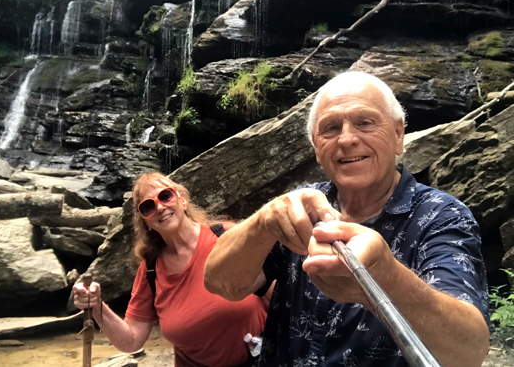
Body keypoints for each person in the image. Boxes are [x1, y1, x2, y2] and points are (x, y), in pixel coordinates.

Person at [204, 71, 490, 367]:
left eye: (365, 122)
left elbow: (468, 353)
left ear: (398, 135)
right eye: (330, 128)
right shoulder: (300, 206)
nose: (347, 139)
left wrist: (386, 276)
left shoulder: (441, 215)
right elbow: (220, 283)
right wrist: (261, 224)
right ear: (316, 147)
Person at [73, 172, 267, 367]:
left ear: (182, 199)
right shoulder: (150, 271)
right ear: (145, 222)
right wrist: (97, 306)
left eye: (165, 196)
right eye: (147, 206)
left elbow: (276, 295)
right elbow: (131, 340)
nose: (159, 207)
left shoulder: (228, 237)